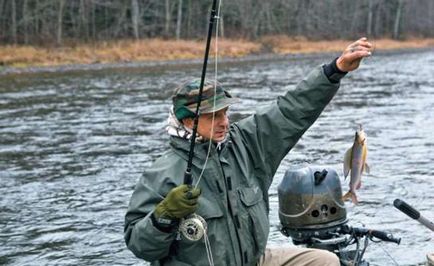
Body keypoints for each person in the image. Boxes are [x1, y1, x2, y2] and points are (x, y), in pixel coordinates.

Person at [124, 37, 373, 266]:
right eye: (213, 116)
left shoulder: (245, 142)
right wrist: (164, 215)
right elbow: (141, 246)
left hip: (254, 260)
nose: (224, 121)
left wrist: (335, 70)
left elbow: (290, 110)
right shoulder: (161, 173)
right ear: (189, 122)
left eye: (225, 112)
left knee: (325, 262)